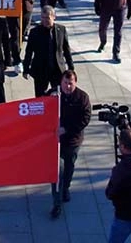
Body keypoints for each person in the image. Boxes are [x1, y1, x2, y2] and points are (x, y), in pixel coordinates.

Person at [49, 70, 91, 218]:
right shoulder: (54, 94)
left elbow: (84, 120)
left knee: (69, 168)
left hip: (72, 141)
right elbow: (42, 106)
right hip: (56, 141)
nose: (67, 86)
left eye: (70, 84)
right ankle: (57, 202)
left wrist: (66, 129)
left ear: (75, 83)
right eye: (65, 83)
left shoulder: (82, 98)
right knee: (57, 172)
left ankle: (66, 187)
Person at [23, 6, 74, 97]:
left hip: (57, 70)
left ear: (54, 17)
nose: (45, 20)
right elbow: (29, 51)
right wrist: (26, 69)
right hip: (41, 70)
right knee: (40, 97)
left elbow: (66, 50)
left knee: (59, 95)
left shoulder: (61, 30)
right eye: (42, 17)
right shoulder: (35, 32)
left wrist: (71, 67)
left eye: (47, 18)